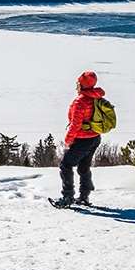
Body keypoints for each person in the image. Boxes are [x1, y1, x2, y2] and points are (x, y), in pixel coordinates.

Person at [54, 70, 105, 207]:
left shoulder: (80, 101)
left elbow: (76, 124)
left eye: (78, 83)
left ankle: (67, 196)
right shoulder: (96, 97)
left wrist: (68, 140)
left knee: (65, 165)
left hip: (83, 139)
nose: (76, 86)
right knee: (84, 167)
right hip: (95, 137)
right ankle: (84, 196)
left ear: (82, 85)